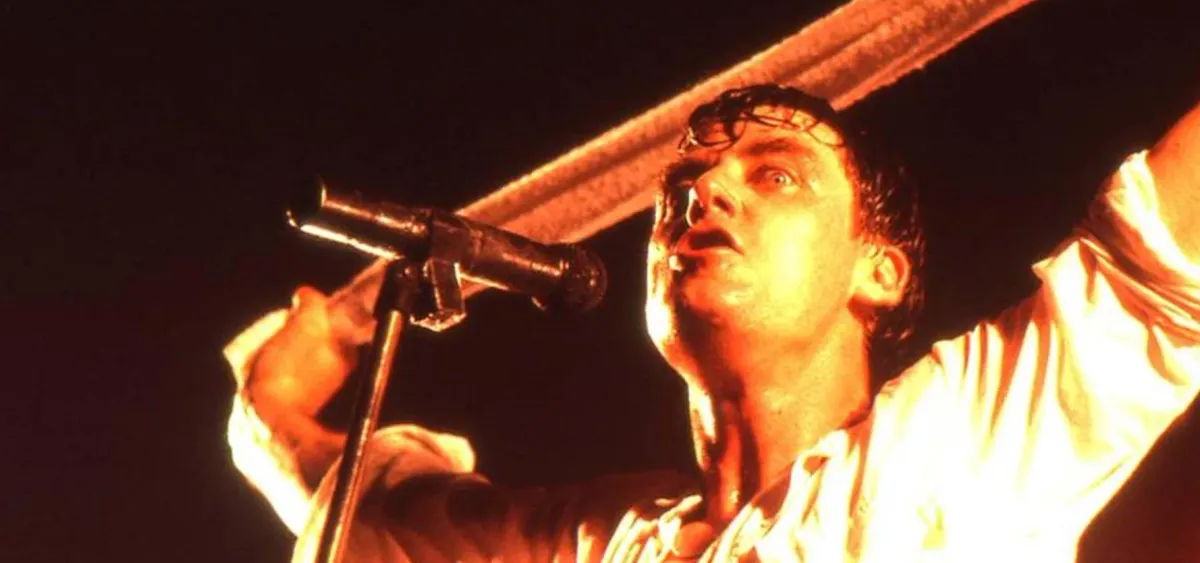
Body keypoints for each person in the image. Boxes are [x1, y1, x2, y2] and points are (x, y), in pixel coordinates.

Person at [225, 84, 1200, 562]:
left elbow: (1156, 249)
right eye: (682, 183)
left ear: (879, 271)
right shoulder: (595, 540)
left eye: (775, 175)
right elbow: (362, 503)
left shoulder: (965, 441)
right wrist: (283, 388)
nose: (705, 194)